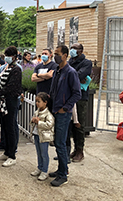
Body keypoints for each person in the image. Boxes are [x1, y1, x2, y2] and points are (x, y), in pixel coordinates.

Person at [48, 45, 81, 187]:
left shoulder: (70, 72)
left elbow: (77, 93)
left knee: (61, 143)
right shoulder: (57, 71)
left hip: (63, 113)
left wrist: (65, 108)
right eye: (54, 54)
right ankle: (61, 169)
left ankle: (63, 174)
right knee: (58, 142)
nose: (55, 56)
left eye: (58, 54)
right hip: (55, 111)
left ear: (65, 55)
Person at [0, 46, 23, 167]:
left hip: (11, 100)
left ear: (14, 57)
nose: (6, 57)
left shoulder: (16, 69)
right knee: (4, 125)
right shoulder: (7, 67)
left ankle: (12, 155)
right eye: (5, 55)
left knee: (11, 126)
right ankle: (6, 151)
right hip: (3, 101)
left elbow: (11, 87)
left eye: (8, 55)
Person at [68, 43, 92, 162]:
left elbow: (79, 75)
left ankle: (80, 150)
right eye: (71, 48)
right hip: (70, 96)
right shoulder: (69, 61)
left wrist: (72, 76)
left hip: (81, 97)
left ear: (81, 51)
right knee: (71, 125)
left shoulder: (86, 63)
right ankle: (73, 149)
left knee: (79, 124)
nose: (72, 50)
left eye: (75, 48)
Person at [30, 92, 54, 181]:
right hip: (37, 134)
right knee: (39, 152)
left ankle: (45, 170)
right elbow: (33, 121)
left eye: (39, 101)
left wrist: (39, 122)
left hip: (44, 136)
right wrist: (33, 120)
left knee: (44, 153)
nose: (37, 103)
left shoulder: (48, 114)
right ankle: (39, 167)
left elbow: (49, 125)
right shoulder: (37, 112)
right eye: (36, 101)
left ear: (45, 102)